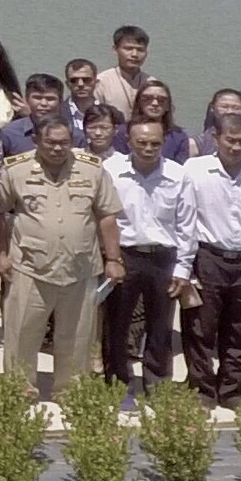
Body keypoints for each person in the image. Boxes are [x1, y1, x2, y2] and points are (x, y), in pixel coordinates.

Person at [0, 115, 115, 403]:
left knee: (78, 337)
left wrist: (114, 258)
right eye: (51, 142)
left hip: (80, 266)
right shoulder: (16, 170)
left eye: (64, 143)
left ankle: (70, 390)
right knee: (23, 332)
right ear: (37, 141)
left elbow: (107, 215)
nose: (58, 148)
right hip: (29, 266)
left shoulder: (92, 170)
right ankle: (20, 388)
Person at [173, 111, 241, 407]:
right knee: (199, 330)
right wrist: (183, 268)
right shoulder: (194, 169)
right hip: (208, 258)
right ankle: (202, 392)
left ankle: (231, 391)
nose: (236, 147)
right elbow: (186, 222)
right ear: (215, 139)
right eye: (230, 140)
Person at [99, 116, 182, 400]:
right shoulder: (110, 170)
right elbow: (102, 215)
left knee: (160, 326)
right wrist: (110, 258)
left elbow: (186, 224)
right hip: (124, 255)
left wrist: (183, 268)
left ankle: (157, 386)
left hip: (164, 258)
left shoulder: (178, 175)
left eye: (155, 143)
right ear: (128, 142)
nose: (149, 148)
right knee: (117, 324)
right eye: (142, 142)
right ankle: (118, 385)